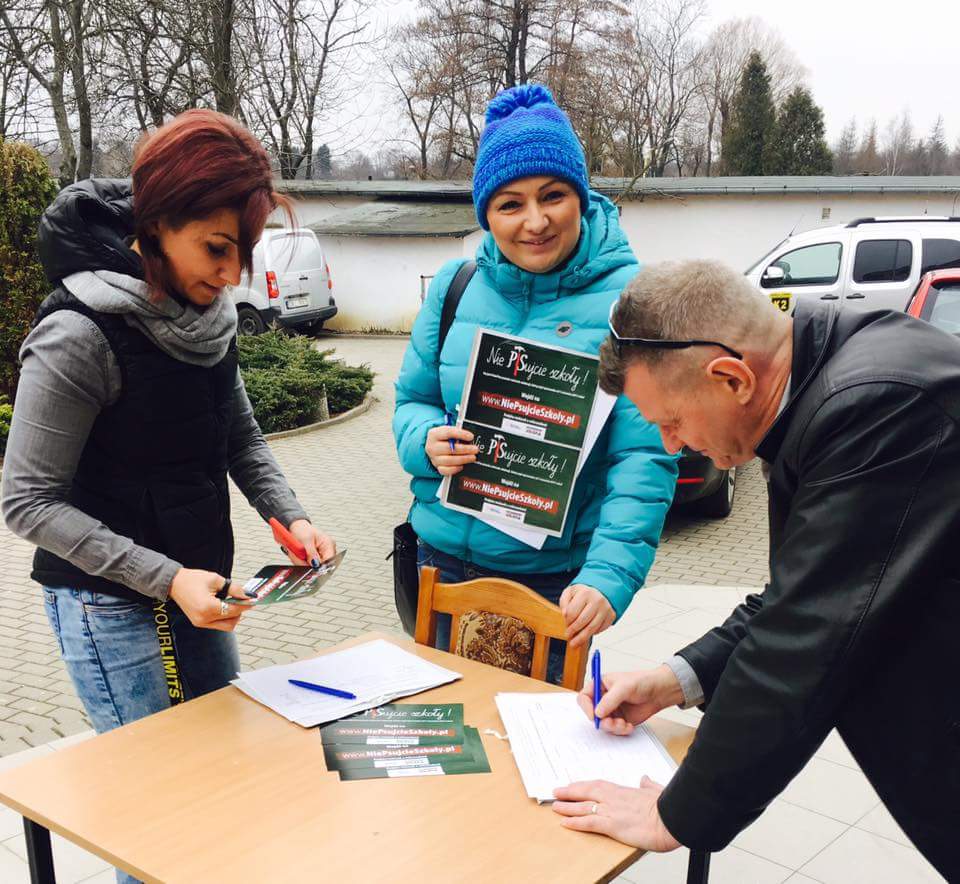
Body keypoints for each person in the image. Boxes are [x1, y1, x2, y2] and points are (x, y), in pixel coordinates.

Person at [552, 260, 960, 881]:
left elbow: (803, 644)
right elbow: (803, 592)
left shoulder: (875, 406)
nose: (669, 445)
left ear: (732, 378)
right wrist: (674, 680)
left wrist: (674, 815)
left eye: (671, 421)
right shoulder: (827, 379)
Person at [2, 109, 335, 736]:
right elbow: (27, 504)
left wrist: (291, 517)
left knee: (222, 754)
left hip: (198, 583)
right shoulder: (77, 334)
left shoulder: (212, 318)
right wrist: (166, 578)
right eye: (216, 249)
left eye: (244, 253)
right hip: (106, 599)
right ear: (155, 225)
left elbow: (239, 435)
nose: (233, 276)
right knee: (156, 788)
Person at [393, 84, 677, 677]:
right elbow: (412, 401)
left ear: (582, 195)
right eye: (510, 204)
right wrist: (424, 442)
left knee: (533, 750)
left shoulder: (632, 302)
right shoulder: (456, 286)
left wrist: (607, 577)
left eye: (553, 196)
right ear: (486, 213)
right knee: (450, 743)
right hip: (438, 565)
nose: (536, 221)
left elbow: (643, 459)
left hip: (552, 582)